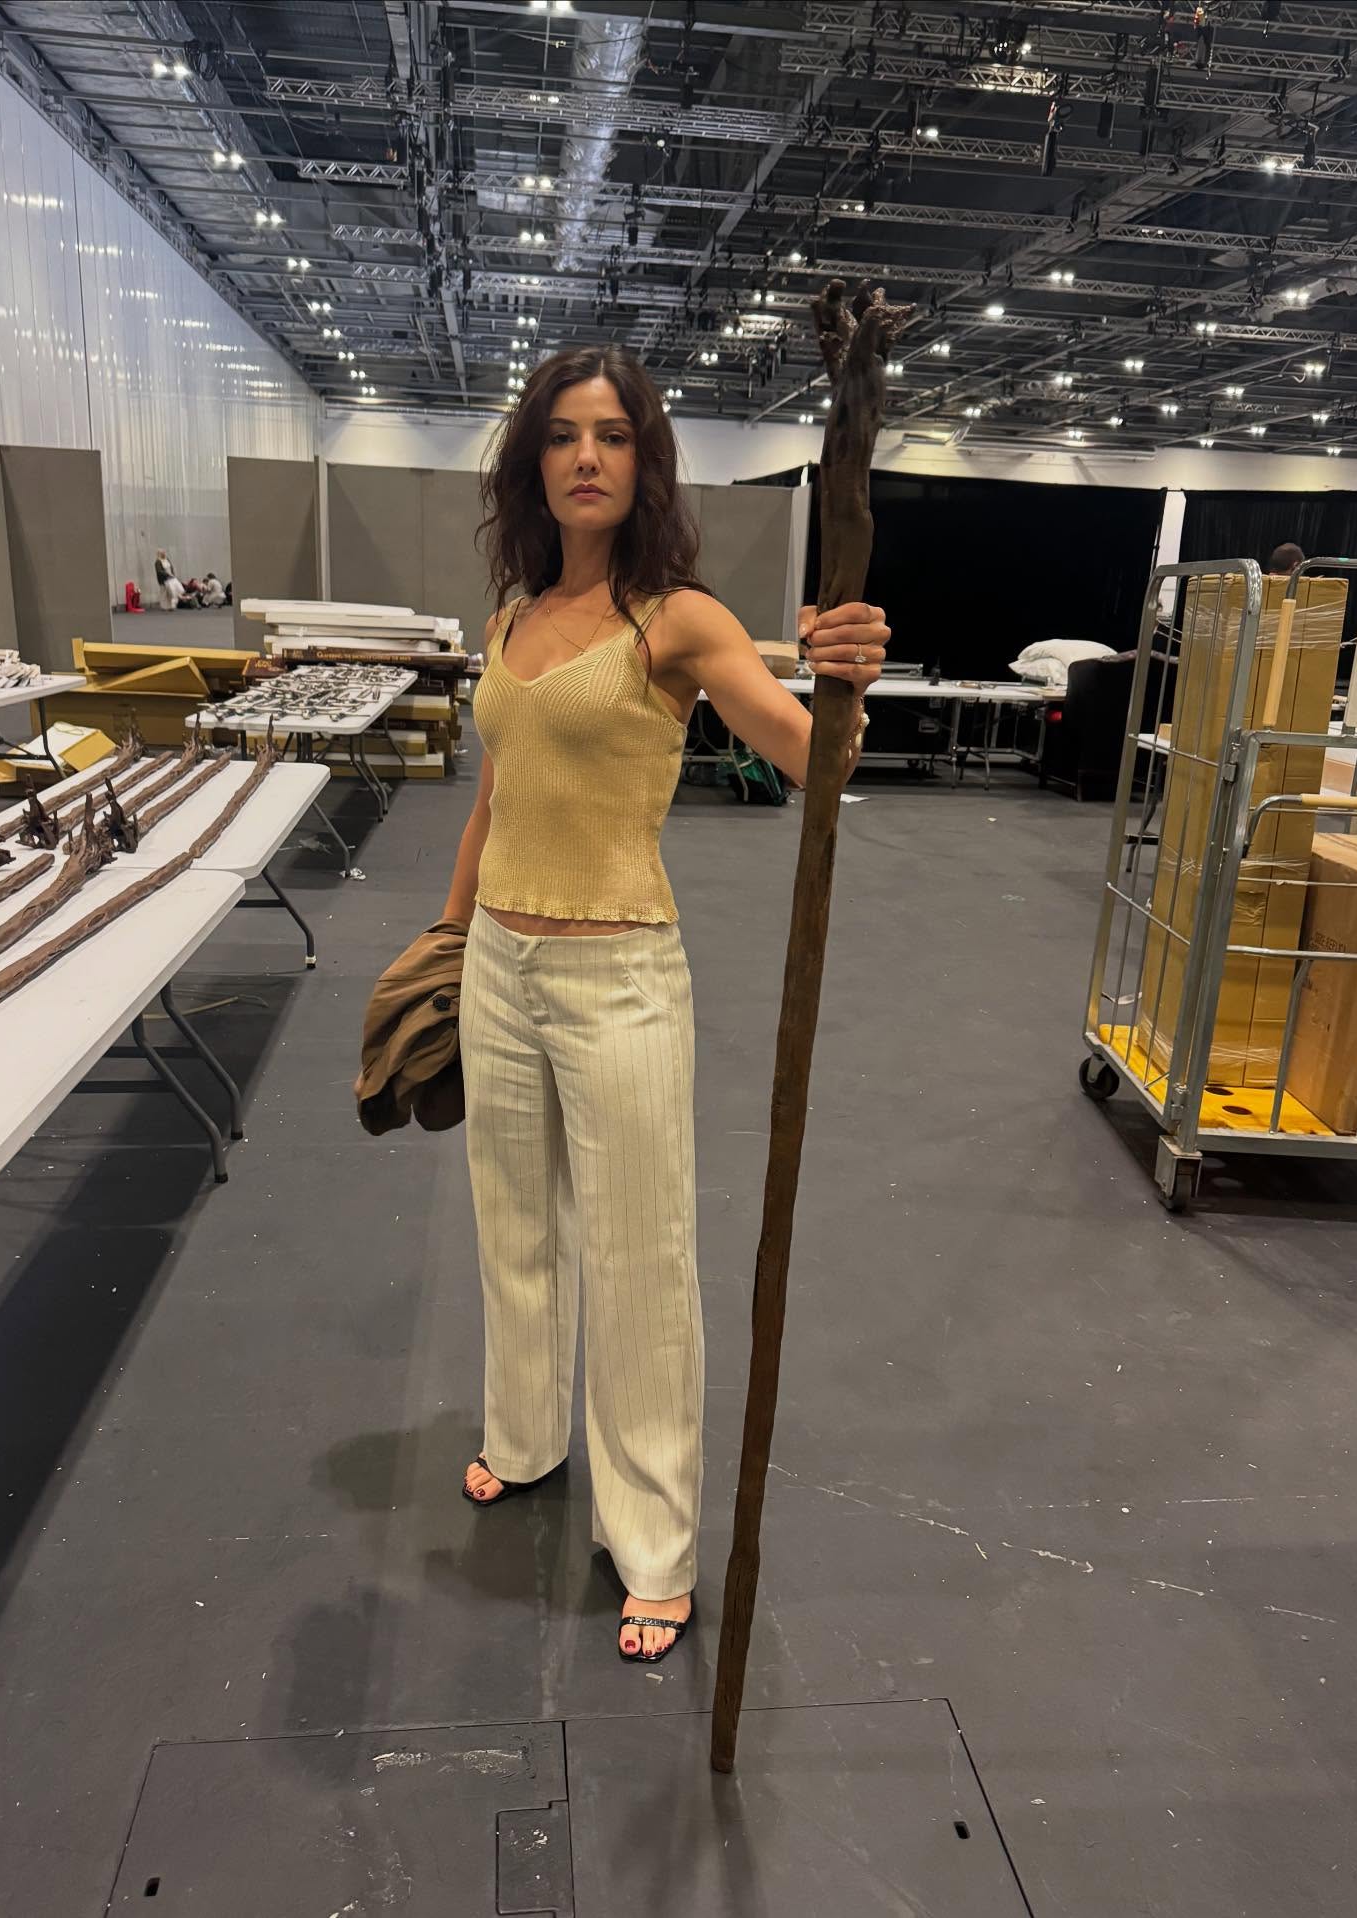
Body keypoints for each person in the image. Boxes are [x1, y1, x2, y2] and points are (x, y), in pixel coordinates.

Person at [444, 343, 888, 1663]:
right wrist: (444, 937)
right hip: (497, 968)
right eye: (562, 434)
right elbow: (492, 799)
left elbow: (815, 763)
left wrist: (843, 679)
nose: (586, 456)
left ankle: (652, 1545)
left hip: (618, 977)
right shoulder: (512, 618)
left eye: (614, 435)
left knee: (639, 1263)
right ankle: (526, 1433)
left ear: (647, 463)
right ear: (532, 462)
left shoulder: (677, 620)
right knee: (513, 1226)